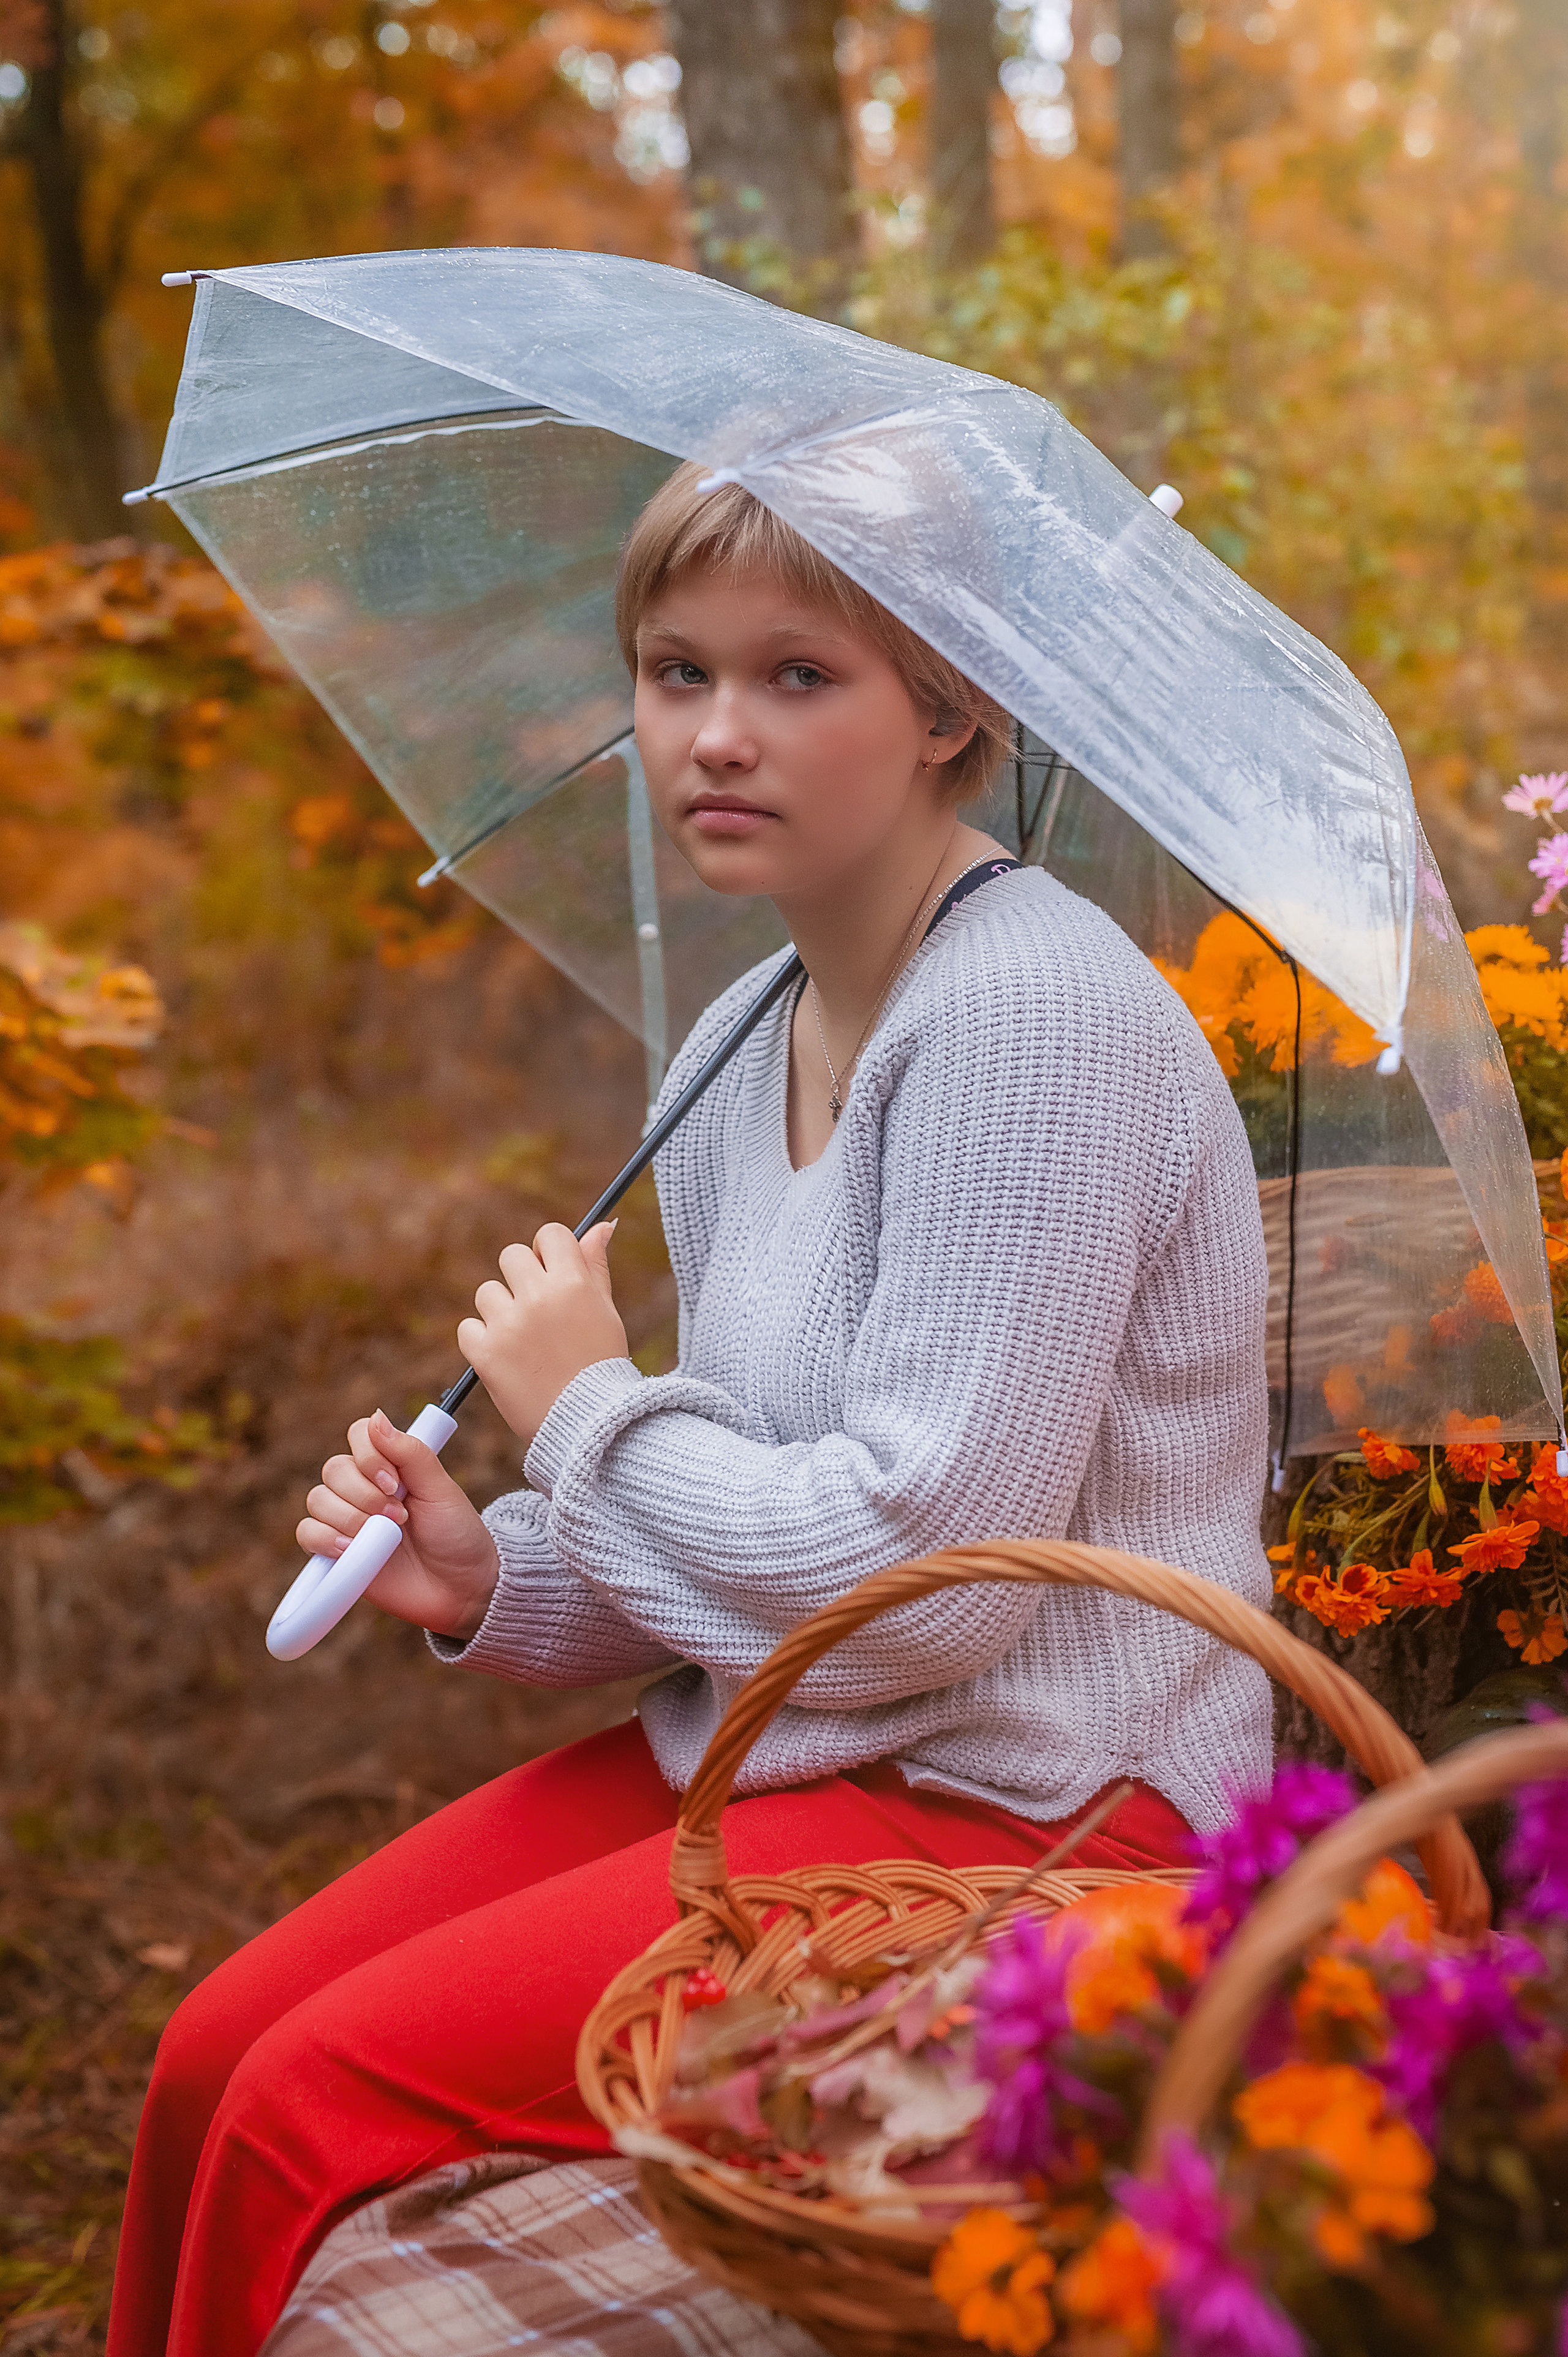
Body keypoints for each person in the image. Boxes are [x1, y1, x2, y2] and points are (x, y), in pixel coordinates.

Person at [108, 463, 1274, 2357]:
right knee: (211, 2050)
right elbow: (754, 1508)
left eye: (797, 676)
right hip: (808, 1762)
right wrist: (499, 1574)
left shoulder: (1031, 1017)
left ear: (949, 710)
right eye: (671, 672)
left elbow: (936, 1578)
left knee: (311, 2106)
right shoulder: (746, 1036)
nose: (713, 735)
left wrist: (585, 1417)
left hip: (1052, 1812)